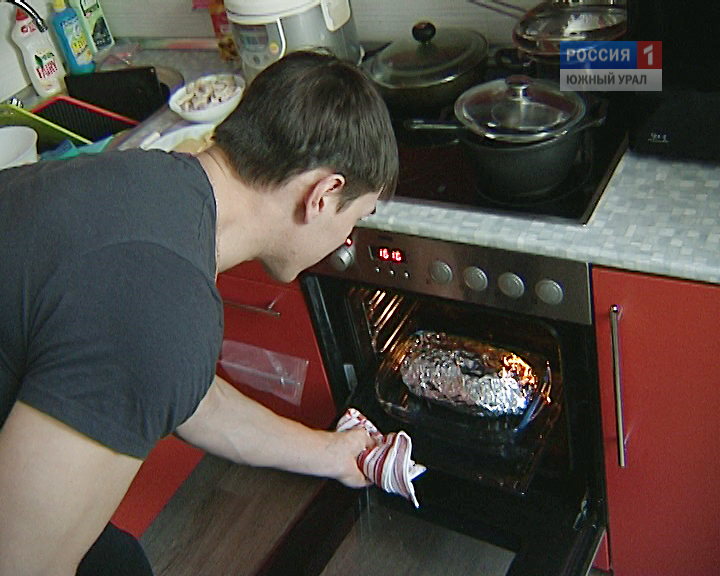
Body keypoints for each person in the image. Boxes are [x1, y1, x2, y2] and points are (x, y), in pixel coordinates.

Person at [0, 50, 398, 575]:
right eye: (357, 219)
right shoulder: (161, 307)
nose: (346, 238)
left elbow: (192, 398)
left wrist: (332, 453)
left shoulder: (154, 182)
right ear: (324, 195)